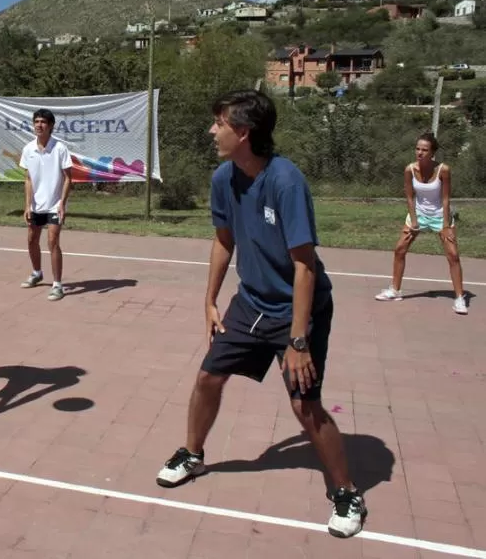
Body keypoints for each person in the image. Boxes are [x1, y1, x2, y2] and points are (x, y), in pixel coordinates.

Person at [154, 90, 366, 539]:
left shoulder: (286, 182)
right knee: (209, 377)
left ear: (244, 132)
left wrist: (298, 341)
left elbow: (305, 265)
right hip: (250, 301)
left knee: (303, 405)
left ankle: (347, 491)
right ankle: (192, 454)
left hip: (297, 309)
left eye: (219, 123)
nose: (212, 131)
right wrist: (209, 300)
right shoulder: (223, 179)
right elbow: (223, 241)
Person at [374, 133, 467, 314]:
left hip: (440, 215)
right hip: (419, 214)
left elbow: (446, 199)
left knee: (453, 255)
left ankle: (459, 298)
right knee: (400, 248)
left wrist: (446, 225)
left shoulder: (443, 170)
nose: (420, 152)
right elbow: (409, 197)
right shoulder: (410, 169)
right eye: (418, 149)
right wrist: (414, 220)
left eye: (425, 150)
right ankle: (395, 290)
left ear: (432, 152)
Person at [19, 108, 73, 301]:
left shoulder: (60, 148)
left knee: (53, 242)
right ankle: (36, 273)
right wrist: (27, 205)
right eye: (36, 122)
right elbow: (28, 179)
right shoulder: (28, 149)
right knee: (32, 240)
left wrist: (62, 204)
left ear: (50, 126)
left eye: (43, 122)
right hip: (35, 205)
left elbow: (68, 178)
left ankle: (57, 285)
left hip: (54, 205)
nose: (39, 125)